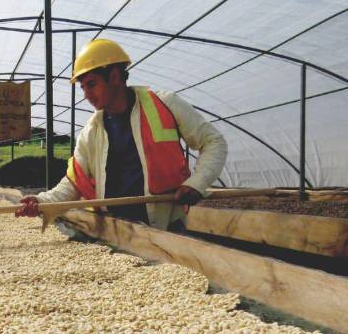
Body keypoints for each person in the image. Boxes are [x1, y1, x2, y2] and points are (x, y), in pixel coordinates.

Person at [16, 38, 227, 231]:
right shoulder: (91, 131)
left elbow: (213, 142)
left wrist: (196, 184)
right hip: (114, 230)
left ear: (115, 76)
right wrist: (41, 201)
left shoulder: (165, 104)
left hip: (165, 227)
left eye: (92, 84)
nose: (87, 95)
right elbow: (73, 184)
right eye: (83, 87)